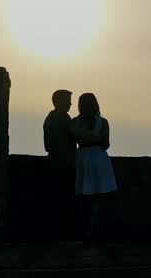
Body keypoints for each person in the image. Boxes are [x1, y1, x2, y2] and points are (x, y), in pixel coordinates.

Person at [72, 92, 116, 241]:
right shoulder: (103, 122)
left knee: (83, 196)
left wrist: (85, 136)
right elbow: (106, 144)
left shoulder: (75, 122)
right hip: (98, 157)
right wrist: (96, 138)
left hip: (83, 156)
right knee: (98, 196)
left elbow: (74, 139)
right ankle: (92, 232)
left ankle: (83, 232)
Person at [43, 89, 76, 237]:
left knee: (53, 199)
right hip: (64, 163)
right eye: (68, 100)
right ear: (61, 102)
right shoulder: (63, 118)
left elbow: (47, 145)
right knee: (63, 200)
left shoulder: (49, 117)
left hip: (53, 161)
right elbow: (74, 137)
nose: (70, 104)